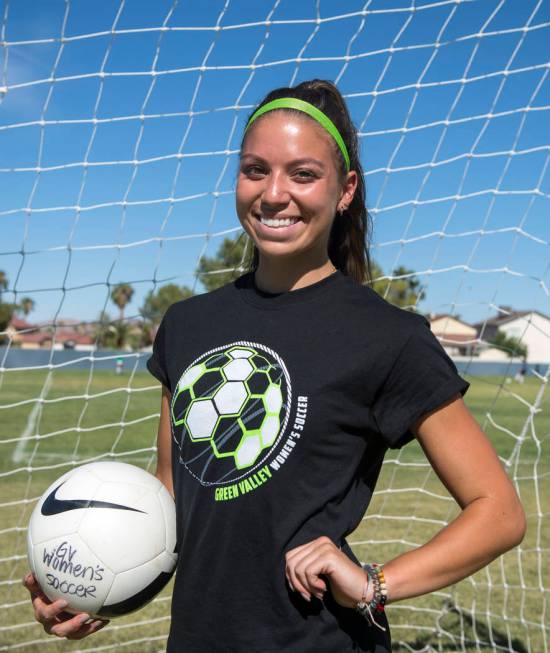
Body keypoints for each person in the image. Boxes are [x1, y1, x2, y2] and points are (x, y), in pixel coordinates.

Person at [23, 79, 526, 651]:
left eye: (303, 174)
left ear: (346, 190)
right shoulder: (187, 325)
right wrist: (95, 584)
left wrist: (372, 584)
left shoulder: (390, 337)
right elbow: (173, 497)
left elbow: (500, 513)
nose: (273, 193)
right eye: (255, 169)